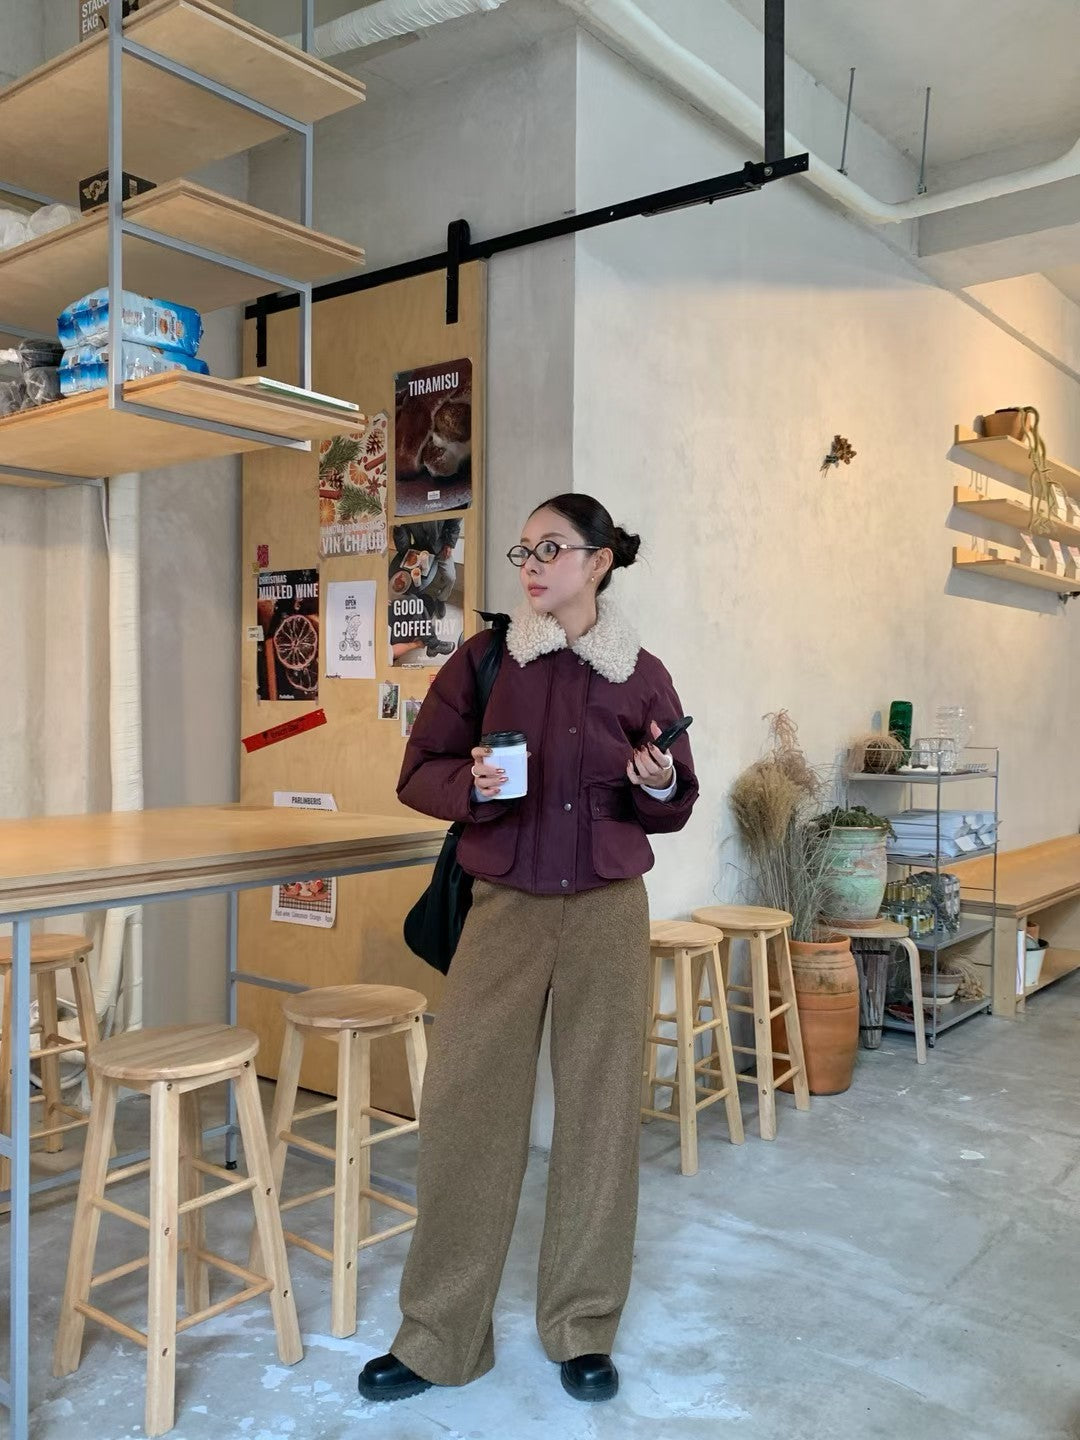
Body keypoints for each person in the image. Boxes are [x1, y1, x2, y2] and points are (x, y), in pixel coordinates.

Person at [358, 493, 698, 1405]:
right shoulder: (486, 660)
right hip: (503, 908)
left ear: (599, 561)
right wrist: (470, 784)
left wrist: (659, 779)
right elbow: (418, 771)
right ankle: (439, 1336)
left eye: (552, 549)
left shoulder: (642, 674)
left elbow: (677, 798)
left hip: (607, 913)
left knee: (599, 1118)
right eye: (524, 550)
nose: (533, 565)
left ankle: (583, 1327)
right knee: (466, 1111)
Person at [390, 518, 462, 660]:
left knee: (451, 577)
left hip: (441, 548)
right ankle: (431, 641)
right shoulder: (405, 512)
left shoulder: (438, 507)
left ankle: (441, 600)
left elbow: (455, 522)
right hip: (420, 550)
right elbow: (403, 547)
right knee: (413, 595)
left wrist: (449, 543)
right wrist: (398, 528)